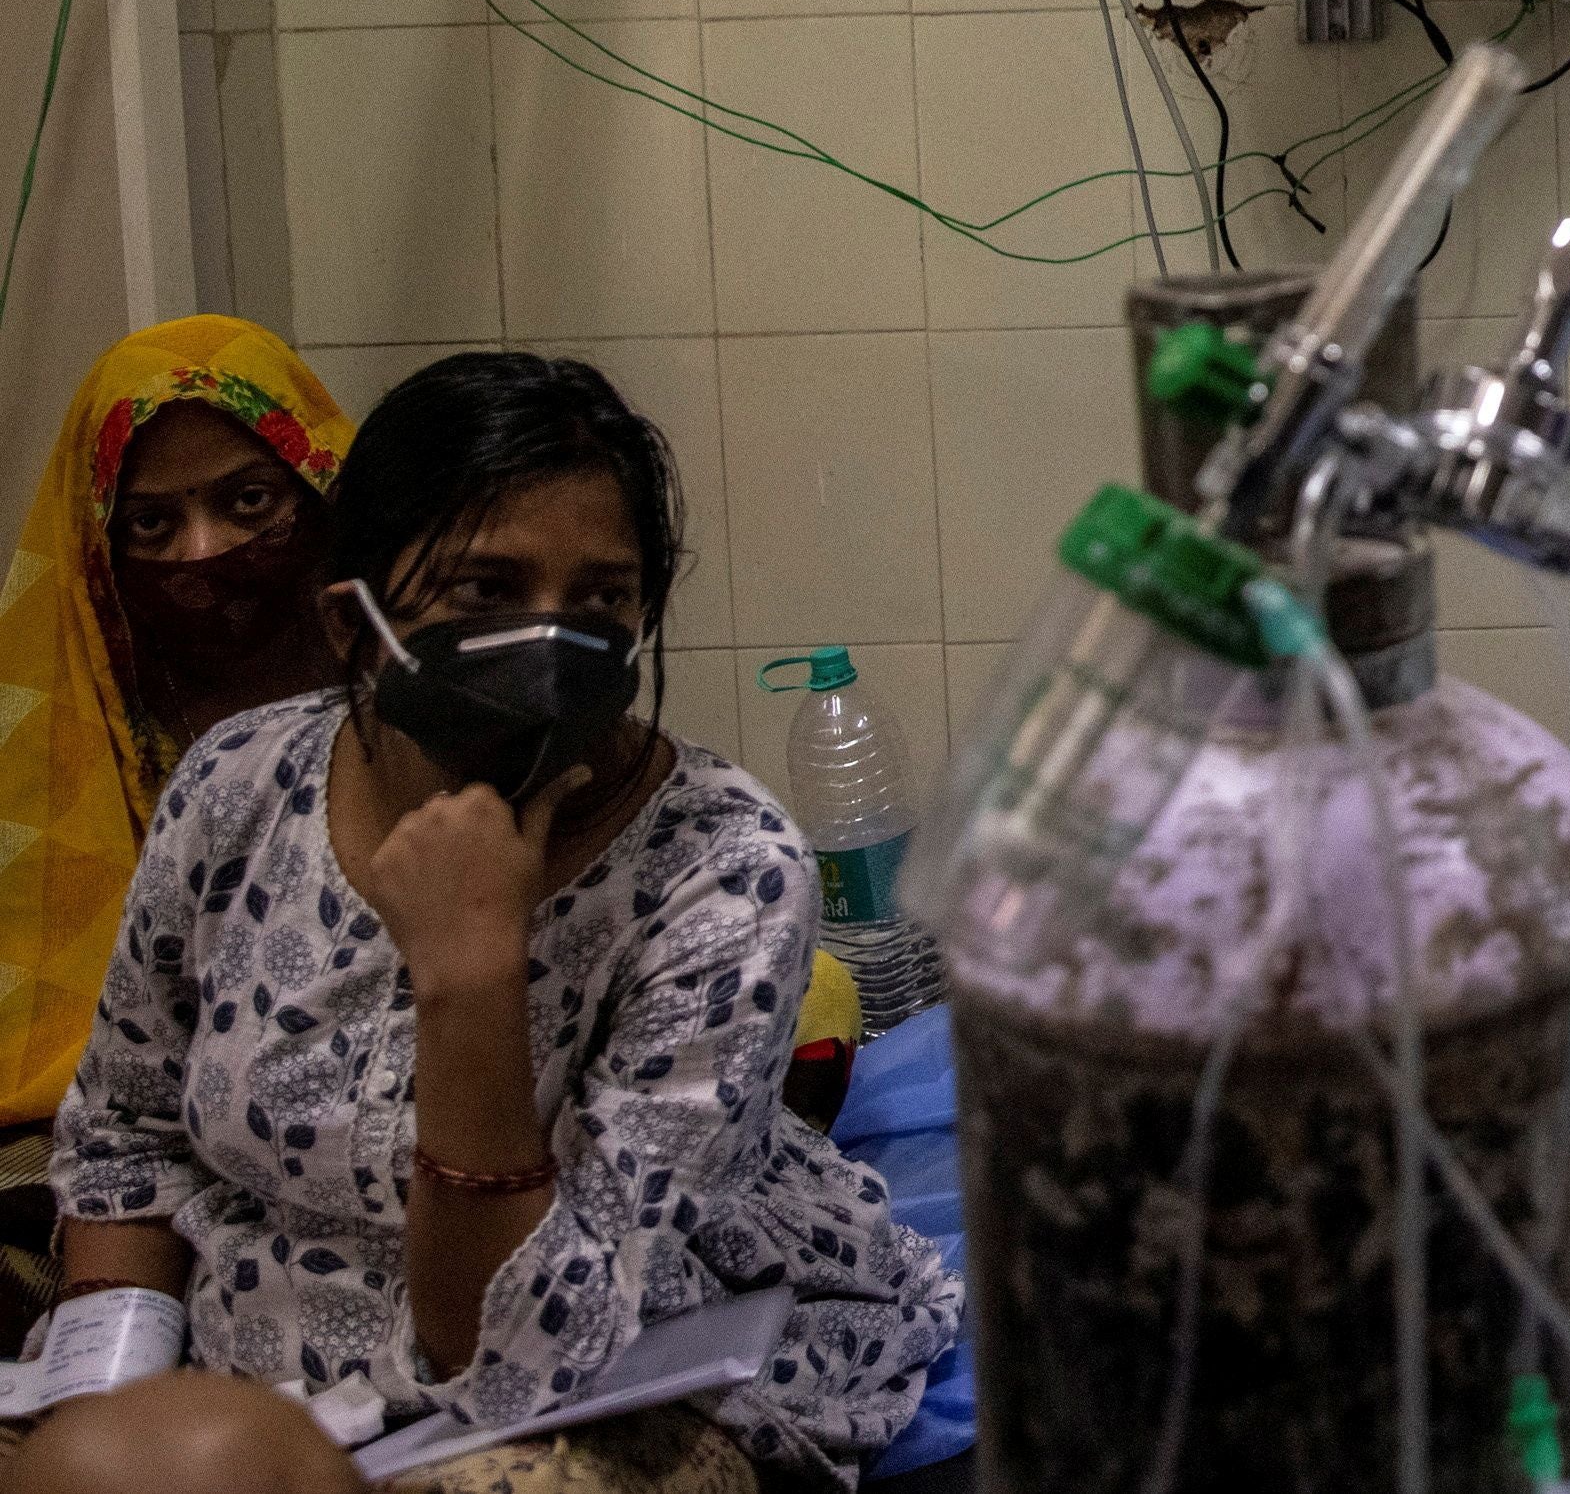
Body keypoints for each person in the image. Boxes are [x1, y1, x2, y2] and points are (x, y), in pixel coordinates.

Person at [37, 351, 956, 1491]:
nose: (549, 637)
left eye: (601, 598)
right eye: (485, 590)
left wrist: (471, 977)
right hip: (252, 1371)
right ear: (352, 620)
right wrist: (108, 1396)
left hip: (611, 1377)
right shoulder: (238, 787)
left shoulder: (722, 869)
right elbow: (131, 1137)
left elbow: (515, 1347)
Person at [0, 319, 355, 1342]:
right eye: (152, 525)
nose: (204, 552)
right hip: (102, 1163)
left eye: (247, 502)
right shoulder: (70, 731)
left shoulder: (418, 706)